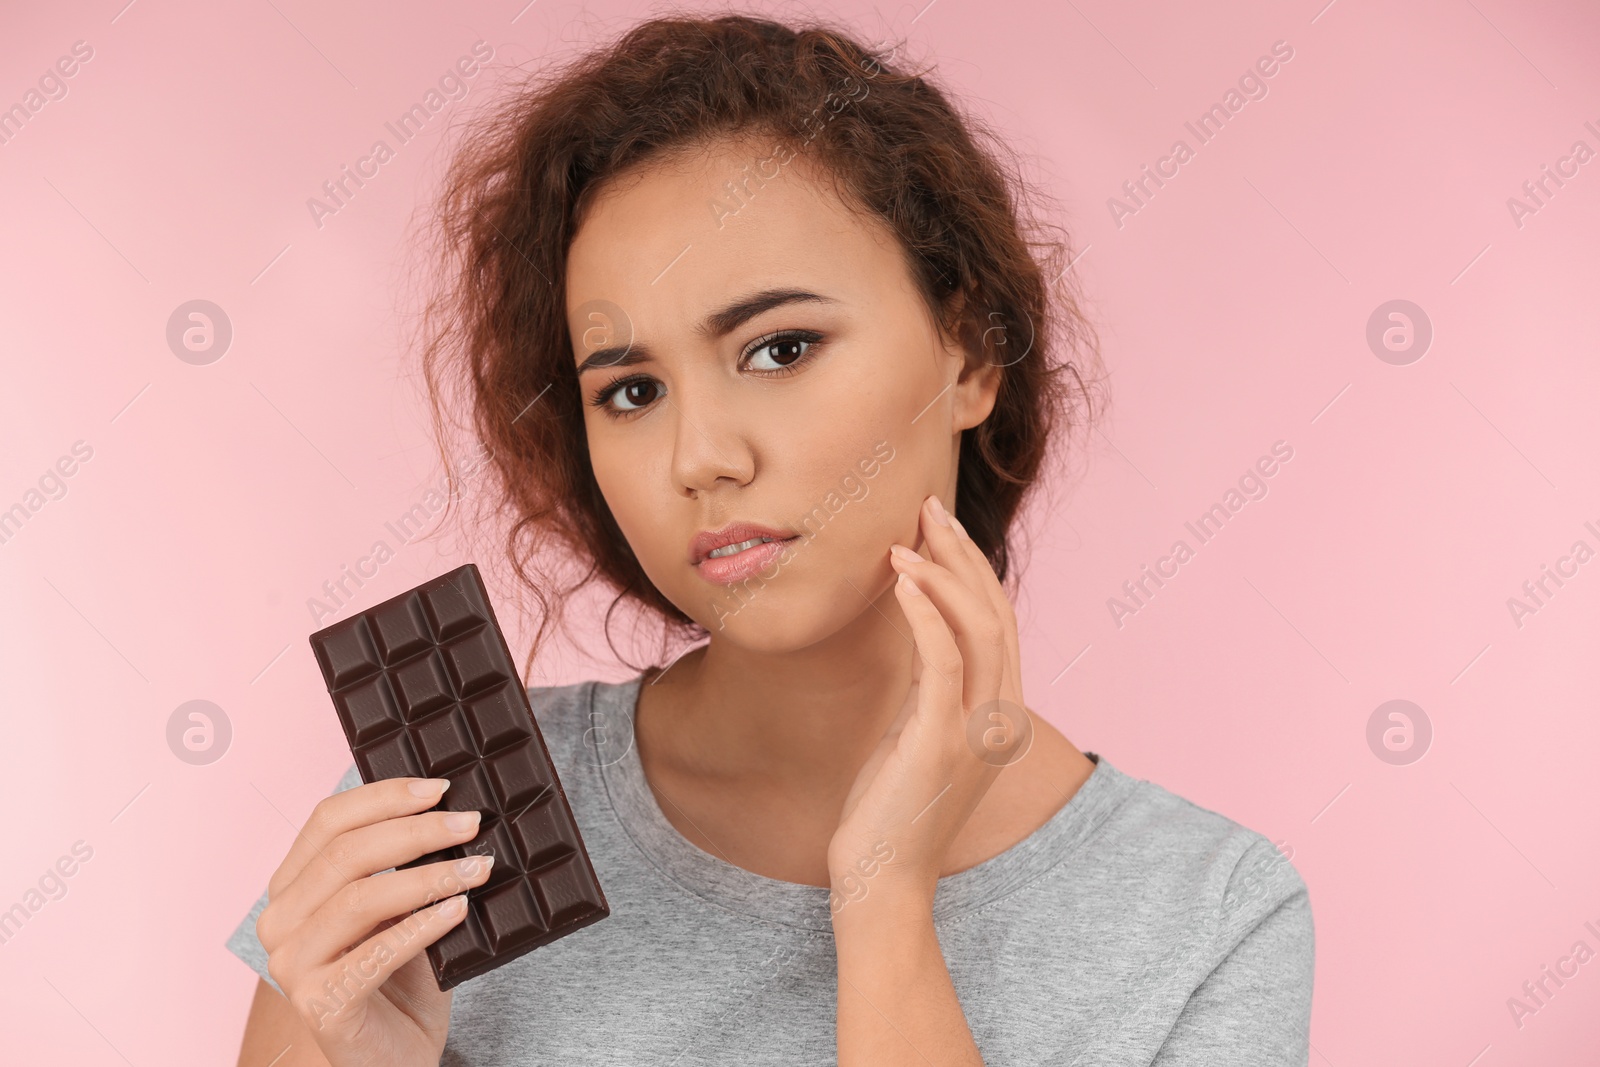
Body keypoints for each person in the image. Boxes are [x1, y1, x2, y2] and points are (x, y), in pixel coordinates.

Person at [228, 14, 1313, 1066]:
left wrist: (884, 902)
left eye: (779, 347)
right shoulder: (436, 831)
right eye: (633, 389)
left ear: (972, 356)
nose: (700, 453)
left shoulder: (1205, 914)